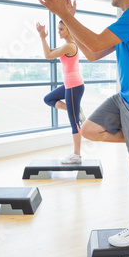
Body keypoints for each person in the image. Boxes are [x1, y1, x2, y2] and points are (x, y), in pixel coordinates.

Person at [36, 0, 129, 247]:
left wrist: (63, 14)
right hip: (127, 96)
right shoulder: (126, 20)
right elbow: (94, 52)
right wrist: (69, 20)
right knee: (89, 129)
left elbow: (94, 41)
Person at [36, 20, 85, 164]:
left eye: (61, 29)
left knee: (74, 122)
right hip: (70, 86)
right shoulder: (67, 45)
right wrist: (43, 37)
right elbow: (50, 51)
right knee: (48, 99)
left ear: (69, 30)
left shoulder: (70, 46)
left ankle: (77, 155)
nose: (58, 32)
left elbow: (47, 55)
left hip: (74, 87)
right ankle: (76, 110)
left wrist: (42, 37)